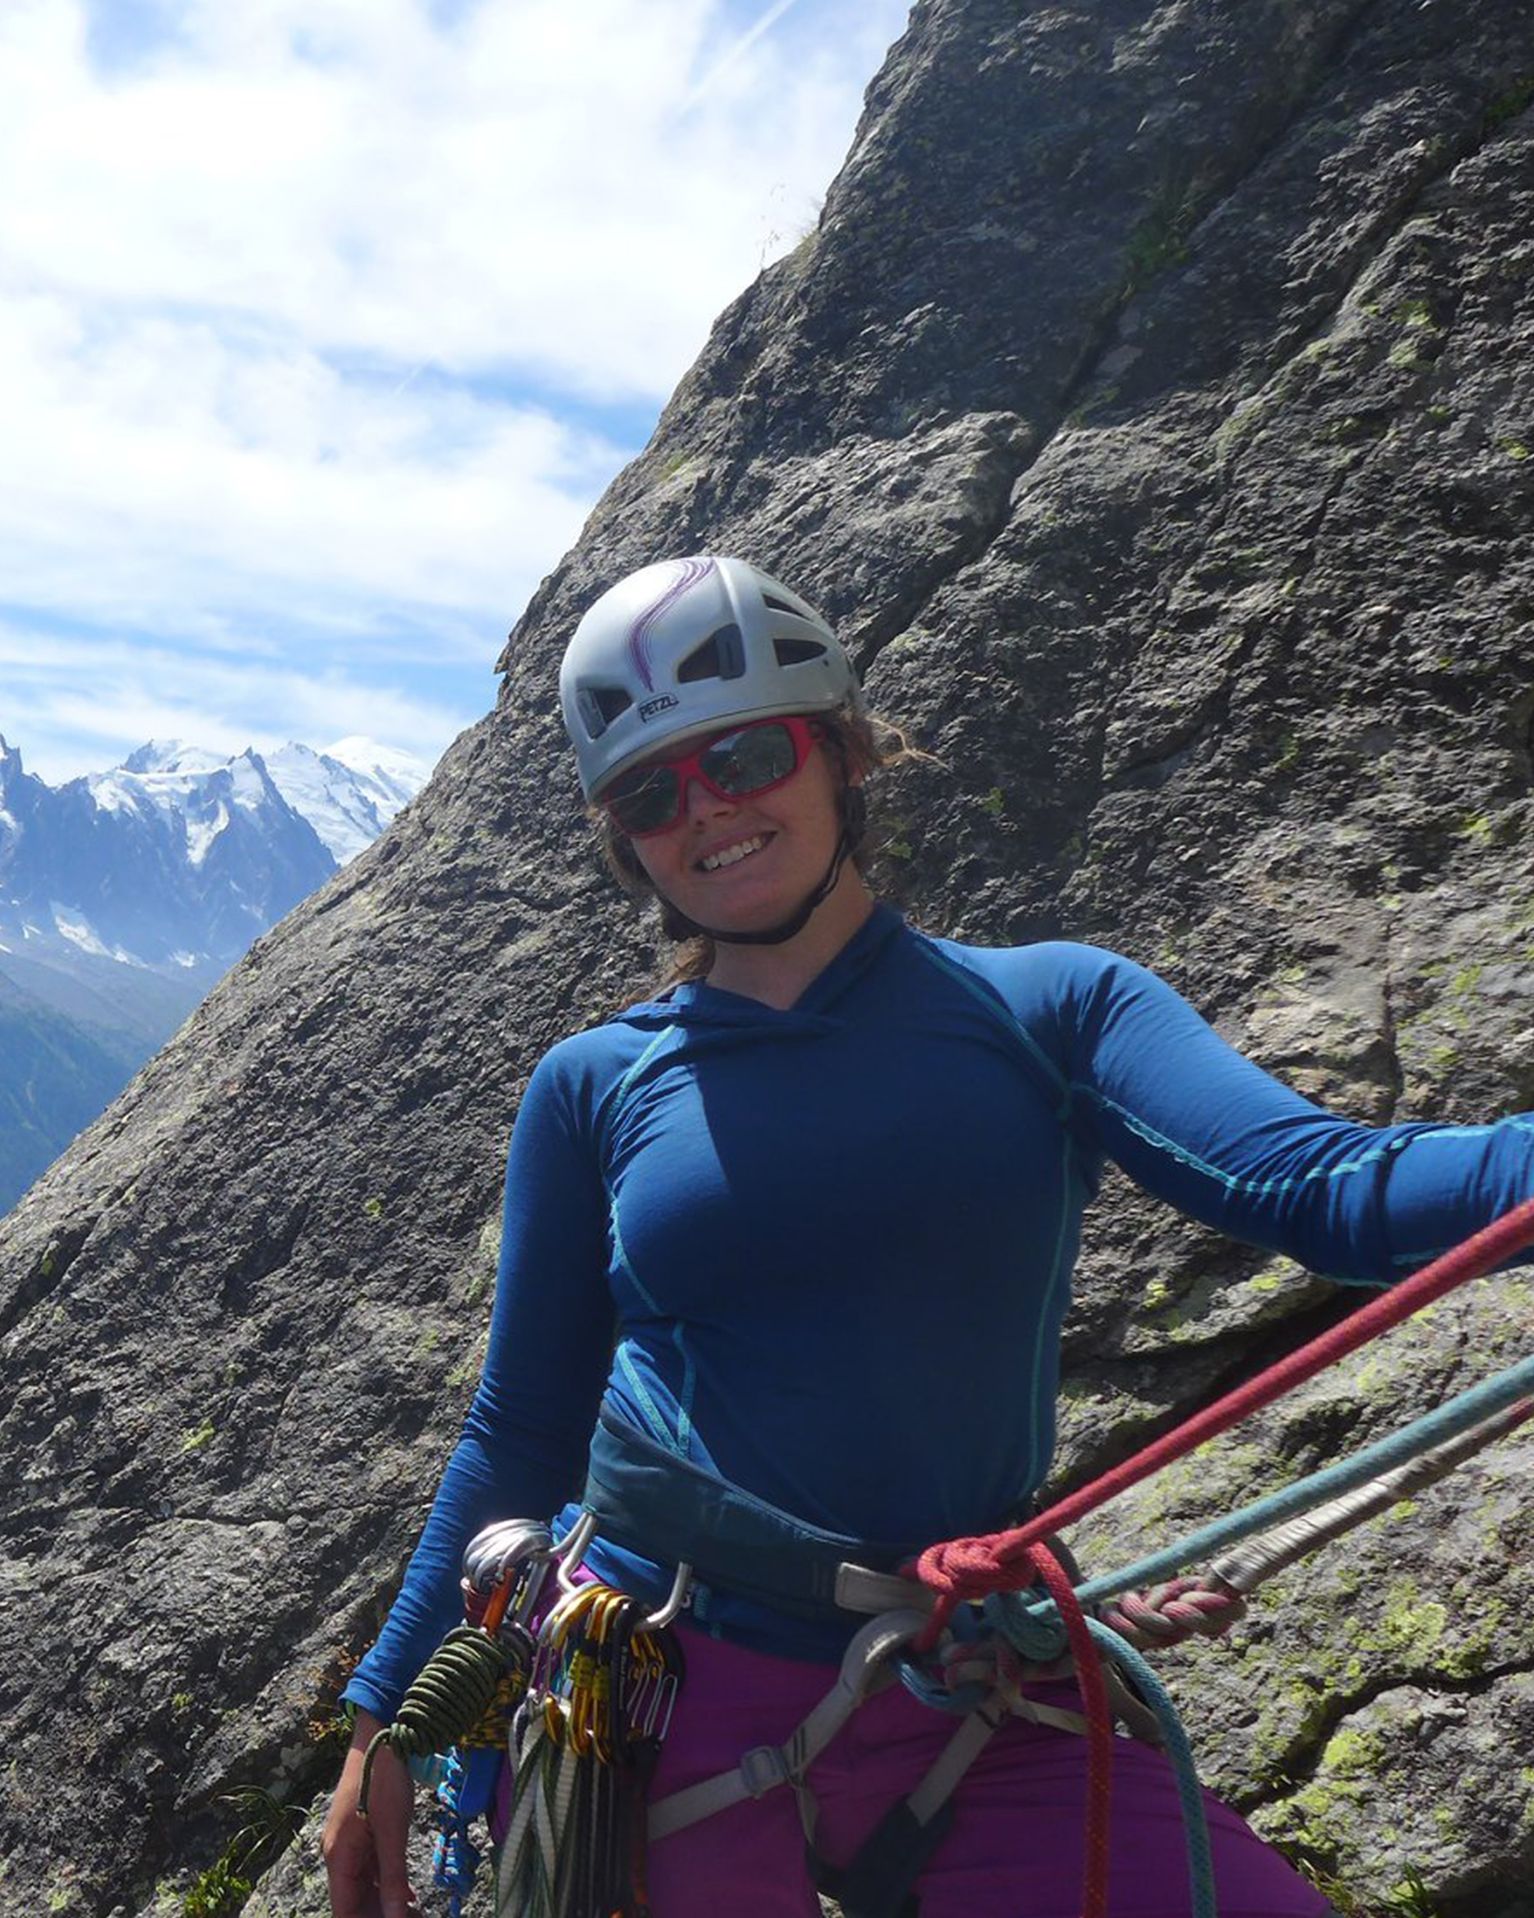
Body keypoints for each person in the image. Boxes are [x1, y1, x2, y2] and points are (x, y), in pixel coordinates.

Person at [323, 555, 1534, 1918]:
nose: (707, 809)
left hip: (962, 1685)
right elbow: (520, 1427)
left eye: (742, 752)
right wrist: (384, 1725)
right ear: (625, 839)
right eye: (653, 791)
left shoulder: (1047, 1009)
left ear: (837, 751)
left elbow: (1328, 1189)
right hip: (665, 1687)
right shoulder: (594, 1086)